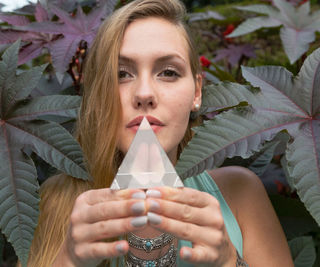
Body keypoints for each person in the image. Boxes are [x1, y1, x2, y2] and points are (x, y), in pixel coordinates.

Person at [27, 0, 294, 266]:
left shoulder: (240, 192)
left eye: (168, 72)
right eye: (121, 74)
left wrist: (228, 260)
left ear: (197, 92)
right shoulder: (52, 204)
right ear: (98, 93)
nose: (144, 93)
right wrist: (68, 261)